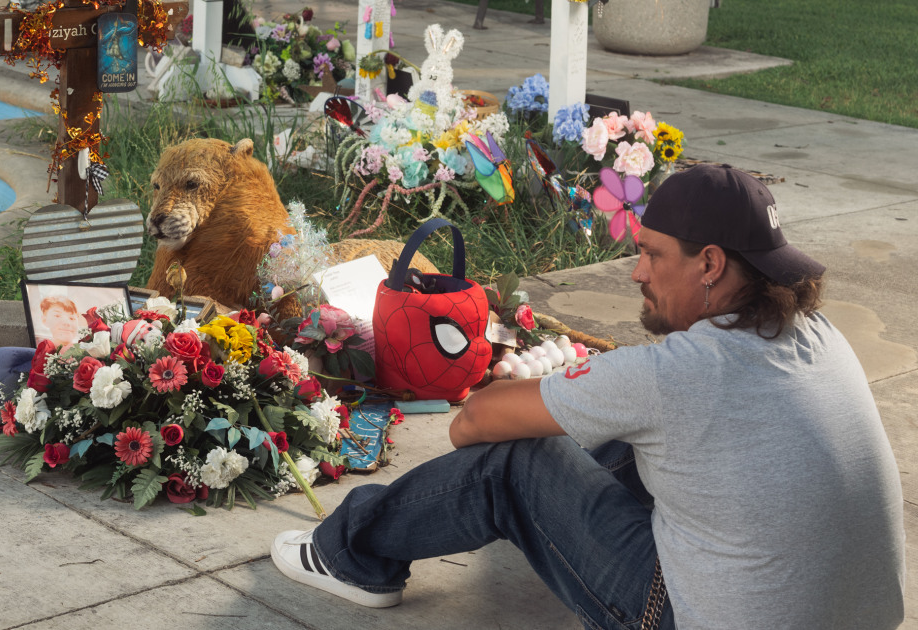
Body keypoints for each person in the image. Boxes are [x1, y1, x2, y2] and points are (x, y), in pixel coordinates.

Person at [271, 165, 905, 629]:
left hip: (675, 620)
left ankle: (347, 552)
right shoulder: (813, 331)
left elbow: (474, 423)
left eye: (653, 255)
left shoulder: (681, 372)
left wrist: (537, 400)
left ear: (710, 264)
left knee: (518, 463)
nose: (636, 272)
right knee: (630, 439)